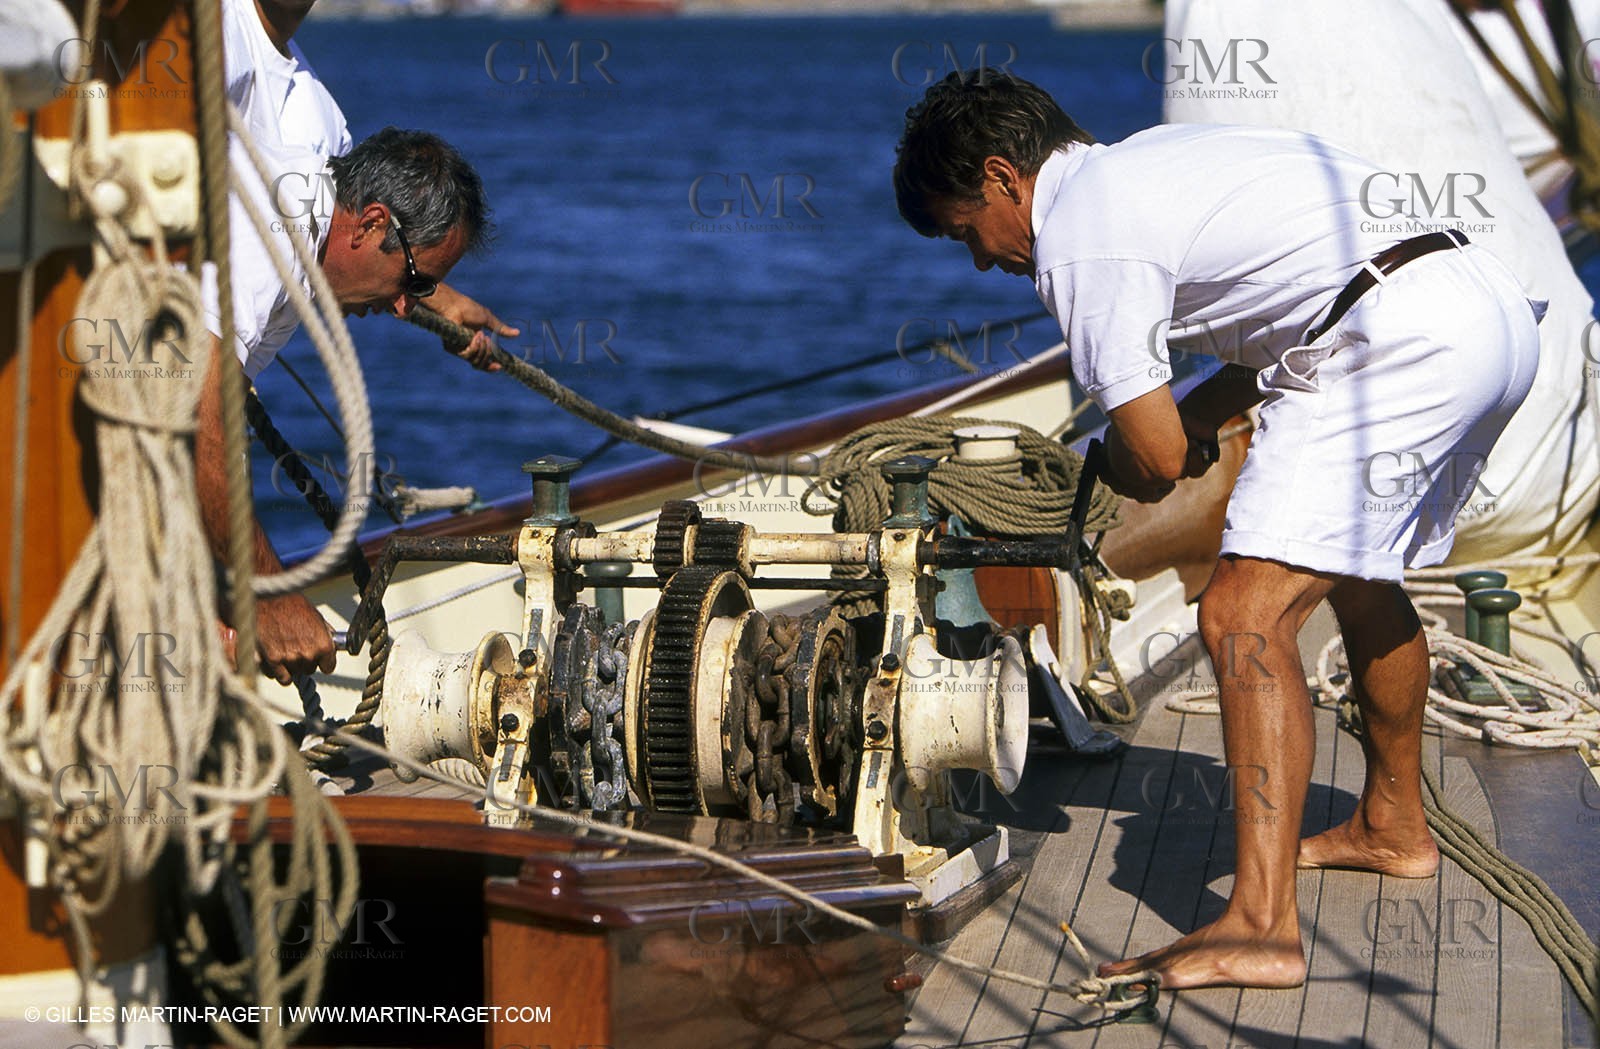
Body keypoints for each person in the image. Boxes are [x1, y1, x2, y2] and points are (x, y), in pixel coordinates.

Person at [893, 71, 1543, 989]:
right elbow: (1291, 322)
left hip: (1401, 340)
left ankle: (1261, 928)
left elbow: (1155, 461)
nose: (977, 259)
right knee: (1358, 575)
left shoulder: (1078, 238)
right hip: (1483, 312)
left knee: (1243, 614)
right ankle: (1394, 826)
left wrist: (1117, 457)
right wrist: (1183, 422)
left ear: (1003, 177)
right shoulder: (1149, 165)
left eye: (965, 229)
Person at [202, 0, 514, 684]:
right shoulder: (268, 228)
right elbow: (189, 402)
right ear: (371, 222)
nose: (403, 300)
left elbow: (348, 229)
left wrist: (435, 296)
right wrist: (271, 593)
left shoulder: (317, 128)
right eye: (411, 278)